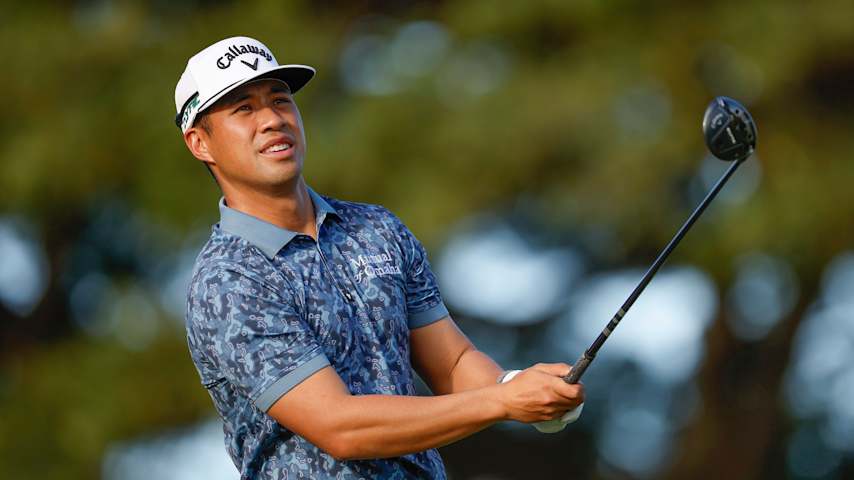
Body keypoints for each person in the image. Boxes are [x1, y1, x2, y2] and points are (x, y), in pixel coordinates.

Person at [177, 36, 584, 479]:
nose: (273, 119)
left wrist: (519, 388)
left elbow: (451, 363)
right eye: (244, 109)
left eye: (280, 100)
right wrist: (502, 402)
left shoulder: (376, 229)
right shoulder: (229, 280)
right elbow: (339, 426)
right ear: (200, 143)